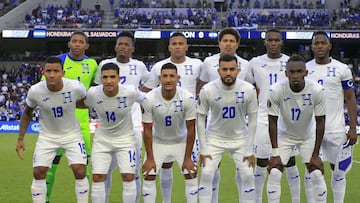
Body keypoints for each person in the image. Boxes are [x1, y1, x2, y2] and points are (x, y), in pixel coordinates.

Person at [16, 56, 89, 203]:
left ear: (63, 72)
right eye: (48, 71)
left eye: (56, 71)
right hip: (47, 136)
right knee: (39, 172)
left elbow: (86, 101)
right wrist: (20, 139)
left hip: (72, 135)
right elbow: (27, 112)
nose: (52, 74)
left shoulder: (75, 87)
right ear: (43, 72)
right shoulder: (35, 91)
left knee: (80, 170)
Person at [140, 32, 202, 203]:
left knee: (191, 172)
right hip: (158, 141)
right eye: (165, 76)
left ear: (178, 78)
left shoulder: (188, 96)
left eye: (171, 76)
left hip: (181, 139)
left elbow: (191, 129)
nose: (168, 79)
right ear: (160, 78)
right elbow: (146, 128)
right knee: (149, 173)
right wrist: (150, 157)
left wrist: (188, 157)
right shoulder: (150, 97)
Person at [77, 63, 146, 203]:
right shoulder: (93, 93)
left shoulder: (130, 91)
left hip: (126, 140)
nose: (109, 81)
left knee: (128, 177)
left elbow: (148, 102)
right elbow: (81, 104)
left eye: (112, 77)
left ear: (119, 78)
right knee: (98, 177)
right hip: (102, 141)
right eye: (105, 77)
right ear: (101, 78)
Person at [246, 28, 300, 203]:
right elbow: (247, 88)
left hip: (287, 120)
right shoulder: (254, 63)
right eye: (270, 40)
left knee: (290, 162)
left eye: (277, 40)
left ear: (281, 42)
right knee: (261, 163)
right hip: (263, 118)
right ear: (265, 42)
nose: (273, 43)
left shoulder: (290, 62)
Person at [95, 31, 149, 203]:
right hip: (108, 128)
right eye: (120, 44)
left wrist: (135, 97)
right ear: (115, 47)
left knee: (133, 172)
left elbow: (149, 86)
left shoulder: (140, 66)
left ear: (132, 48)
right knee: (104, 171)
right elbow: (98, 91)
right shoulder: (105, 64)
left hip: (133, 126)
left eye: (126, 44)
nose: (123, 47)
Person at [197, 27, 249, 202]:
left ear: (237, 44)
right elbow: (201, 88)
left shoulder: (245, 65)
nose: (228, 44)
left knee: (243, 169)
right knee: (211, 167)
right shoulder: (208, 62)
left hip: (239, 122)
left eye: (232, 41)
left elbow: (249, 91)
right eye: (225, 40)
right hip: (215, 121)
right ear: (219, 43)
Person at [266, 54, 327, 203]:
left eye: (299, 71)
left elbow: (320, 121)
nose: (295, 76)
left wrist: (316, 154)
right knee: (274, 172)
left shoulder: (317, 90)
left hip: (308, 136)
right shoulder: (276, 90)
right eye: (292, 72)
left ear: (306, 72)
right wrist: (275, 153)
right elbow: (272, 121)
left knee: (317, 174)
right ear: (286, 73)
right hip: (284, 136)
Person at [46, 30, 98, 203]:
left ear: (86, 46)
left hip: (81, 122)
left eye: (80, 41)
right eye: (73, 41)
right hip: (58, 123)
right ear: (68, 43)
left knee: (83, 168)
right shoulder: (58, 61)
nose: (77, 44)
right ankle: (44, 199)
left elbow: (96, 90)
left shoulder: (92, 64)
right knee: (50, 166)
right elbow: (44, 86)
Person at [306, 31, 357, 203]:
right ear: (312, 47)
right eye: (316, 43)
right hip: (312, 130)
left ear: (329, 46)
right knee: (314, 172)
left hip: (335, 129)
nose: (319, 46)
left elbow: (350, 98)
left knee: (338, 171)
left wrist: (352, 127)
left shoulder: (342, 69)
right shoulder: (305, 69)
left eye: (323, 43)